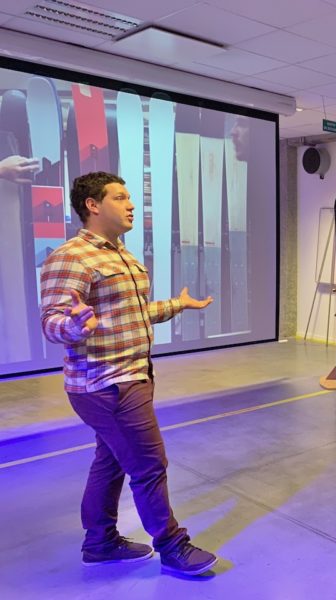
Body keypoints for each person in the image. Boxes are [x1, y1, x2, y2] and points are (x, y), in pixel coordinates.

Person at [39, 172, 218, 575]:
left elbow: (129, 315)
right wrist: (72, 326)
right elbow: (51, 320)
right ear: (93, 205)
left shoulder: (122, 255)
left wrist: (176, 304)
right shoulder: (71, 256)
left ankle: (100, 541)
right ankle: (172, 547)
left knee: (111, 461)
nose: (131, 204)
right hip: (106, 383)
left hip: (133, 375)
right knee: (148, 463)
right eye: (120, 197)